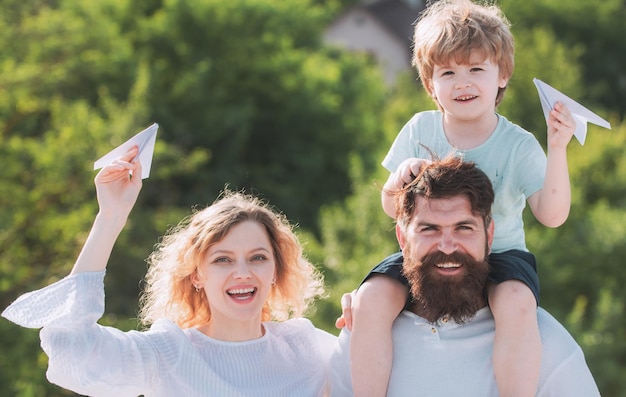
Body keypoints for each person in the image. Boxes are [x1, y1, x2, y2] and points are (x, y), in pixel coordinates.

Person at [349, 1, 577, 396]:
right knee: (370, 297)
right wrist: (401, 180)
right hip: (426, 253)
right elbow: (389, 204)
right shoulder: (419, 127)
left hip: (501, 254)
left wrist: (557, 148)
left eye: (476, 69)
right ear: (430, 83)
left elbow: (552, 215)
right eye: (448, 72)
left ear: (502, 74)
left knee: (517, 304)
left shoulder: (518, 144)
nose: (462, 83)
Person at [2, 146, 336, 397]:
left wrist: (365, 312)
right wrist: (110, 217)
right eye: (222, 259)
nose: (243, 272)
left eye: (258, 258)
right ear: (196, 275)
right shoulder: (170, 353)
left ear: (277, 270)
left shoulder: (305, 347)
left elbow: (380, 373)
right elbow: (72, 349)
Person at [330, 157, 600, 396]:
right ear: (402, 239)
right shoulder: (363, 330)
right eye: (429, 229)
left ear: (490, 236)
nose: (447, 246)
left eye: (464, 228)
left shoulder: (542, 339)